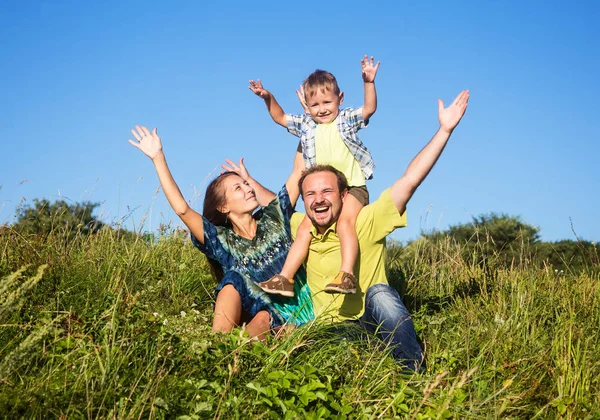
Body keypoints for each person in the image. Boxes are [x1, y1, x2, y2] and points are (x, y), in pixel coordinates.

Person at [290, 90, 470, 370]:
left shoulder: (366, 220)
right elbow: (266, 207)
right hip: (333, 330)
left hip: (373, 319)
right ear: (303, 200)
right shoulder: (300, 229)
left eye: (327, 191)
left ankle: (413, 377)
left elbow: (410, 180)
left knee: (380, 294)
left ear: (343, 194)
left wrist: (444, 131)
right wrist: (311, 126)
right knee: (329, 343)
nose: (319, 199)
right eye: (310, 194)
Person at [129, 127, 313, 339]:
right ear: (224, 207)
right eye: (238, 188)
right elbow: (182, 209)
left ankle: (244, 350)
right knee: (235, 281)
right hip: (266, 316)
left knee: (260, 315)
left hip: (301, 310)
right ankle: (218, 349)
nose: (248, 188)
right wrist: (157, 157)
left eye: (246, 184)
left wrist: (306, 124)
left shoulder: (273, 217)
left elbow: (299, 170)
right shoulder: (221, 241)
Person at [249, 55, 381, 297]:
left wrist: (369, 82)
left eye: (327, 102)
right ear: (307, 107)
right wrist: (268, 97)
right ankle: (285, 279)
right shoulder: (307, 125)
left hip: (352, 188)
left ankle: (347, 274)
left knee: (345, 222)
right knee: (303, 230)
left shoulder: (345, 120)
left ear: (340, 99)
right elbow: (280, 117)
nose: (322, 109)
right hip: (324, 194)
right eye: (315, 105)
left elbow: (370, 108)